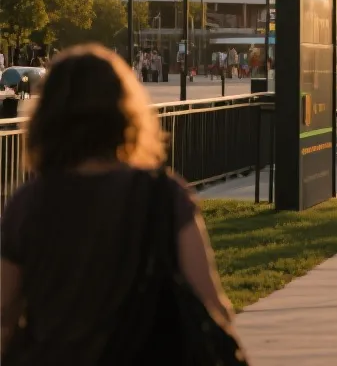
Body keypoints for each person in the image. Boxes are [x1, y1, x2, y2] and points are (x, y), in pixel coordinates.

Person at [0, 44, 238, 362]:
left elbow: (4, 312)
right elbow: (211, 303)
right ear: (126, 114)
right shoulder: (162, 195)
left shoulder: (28, 204)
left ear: (47, 119)